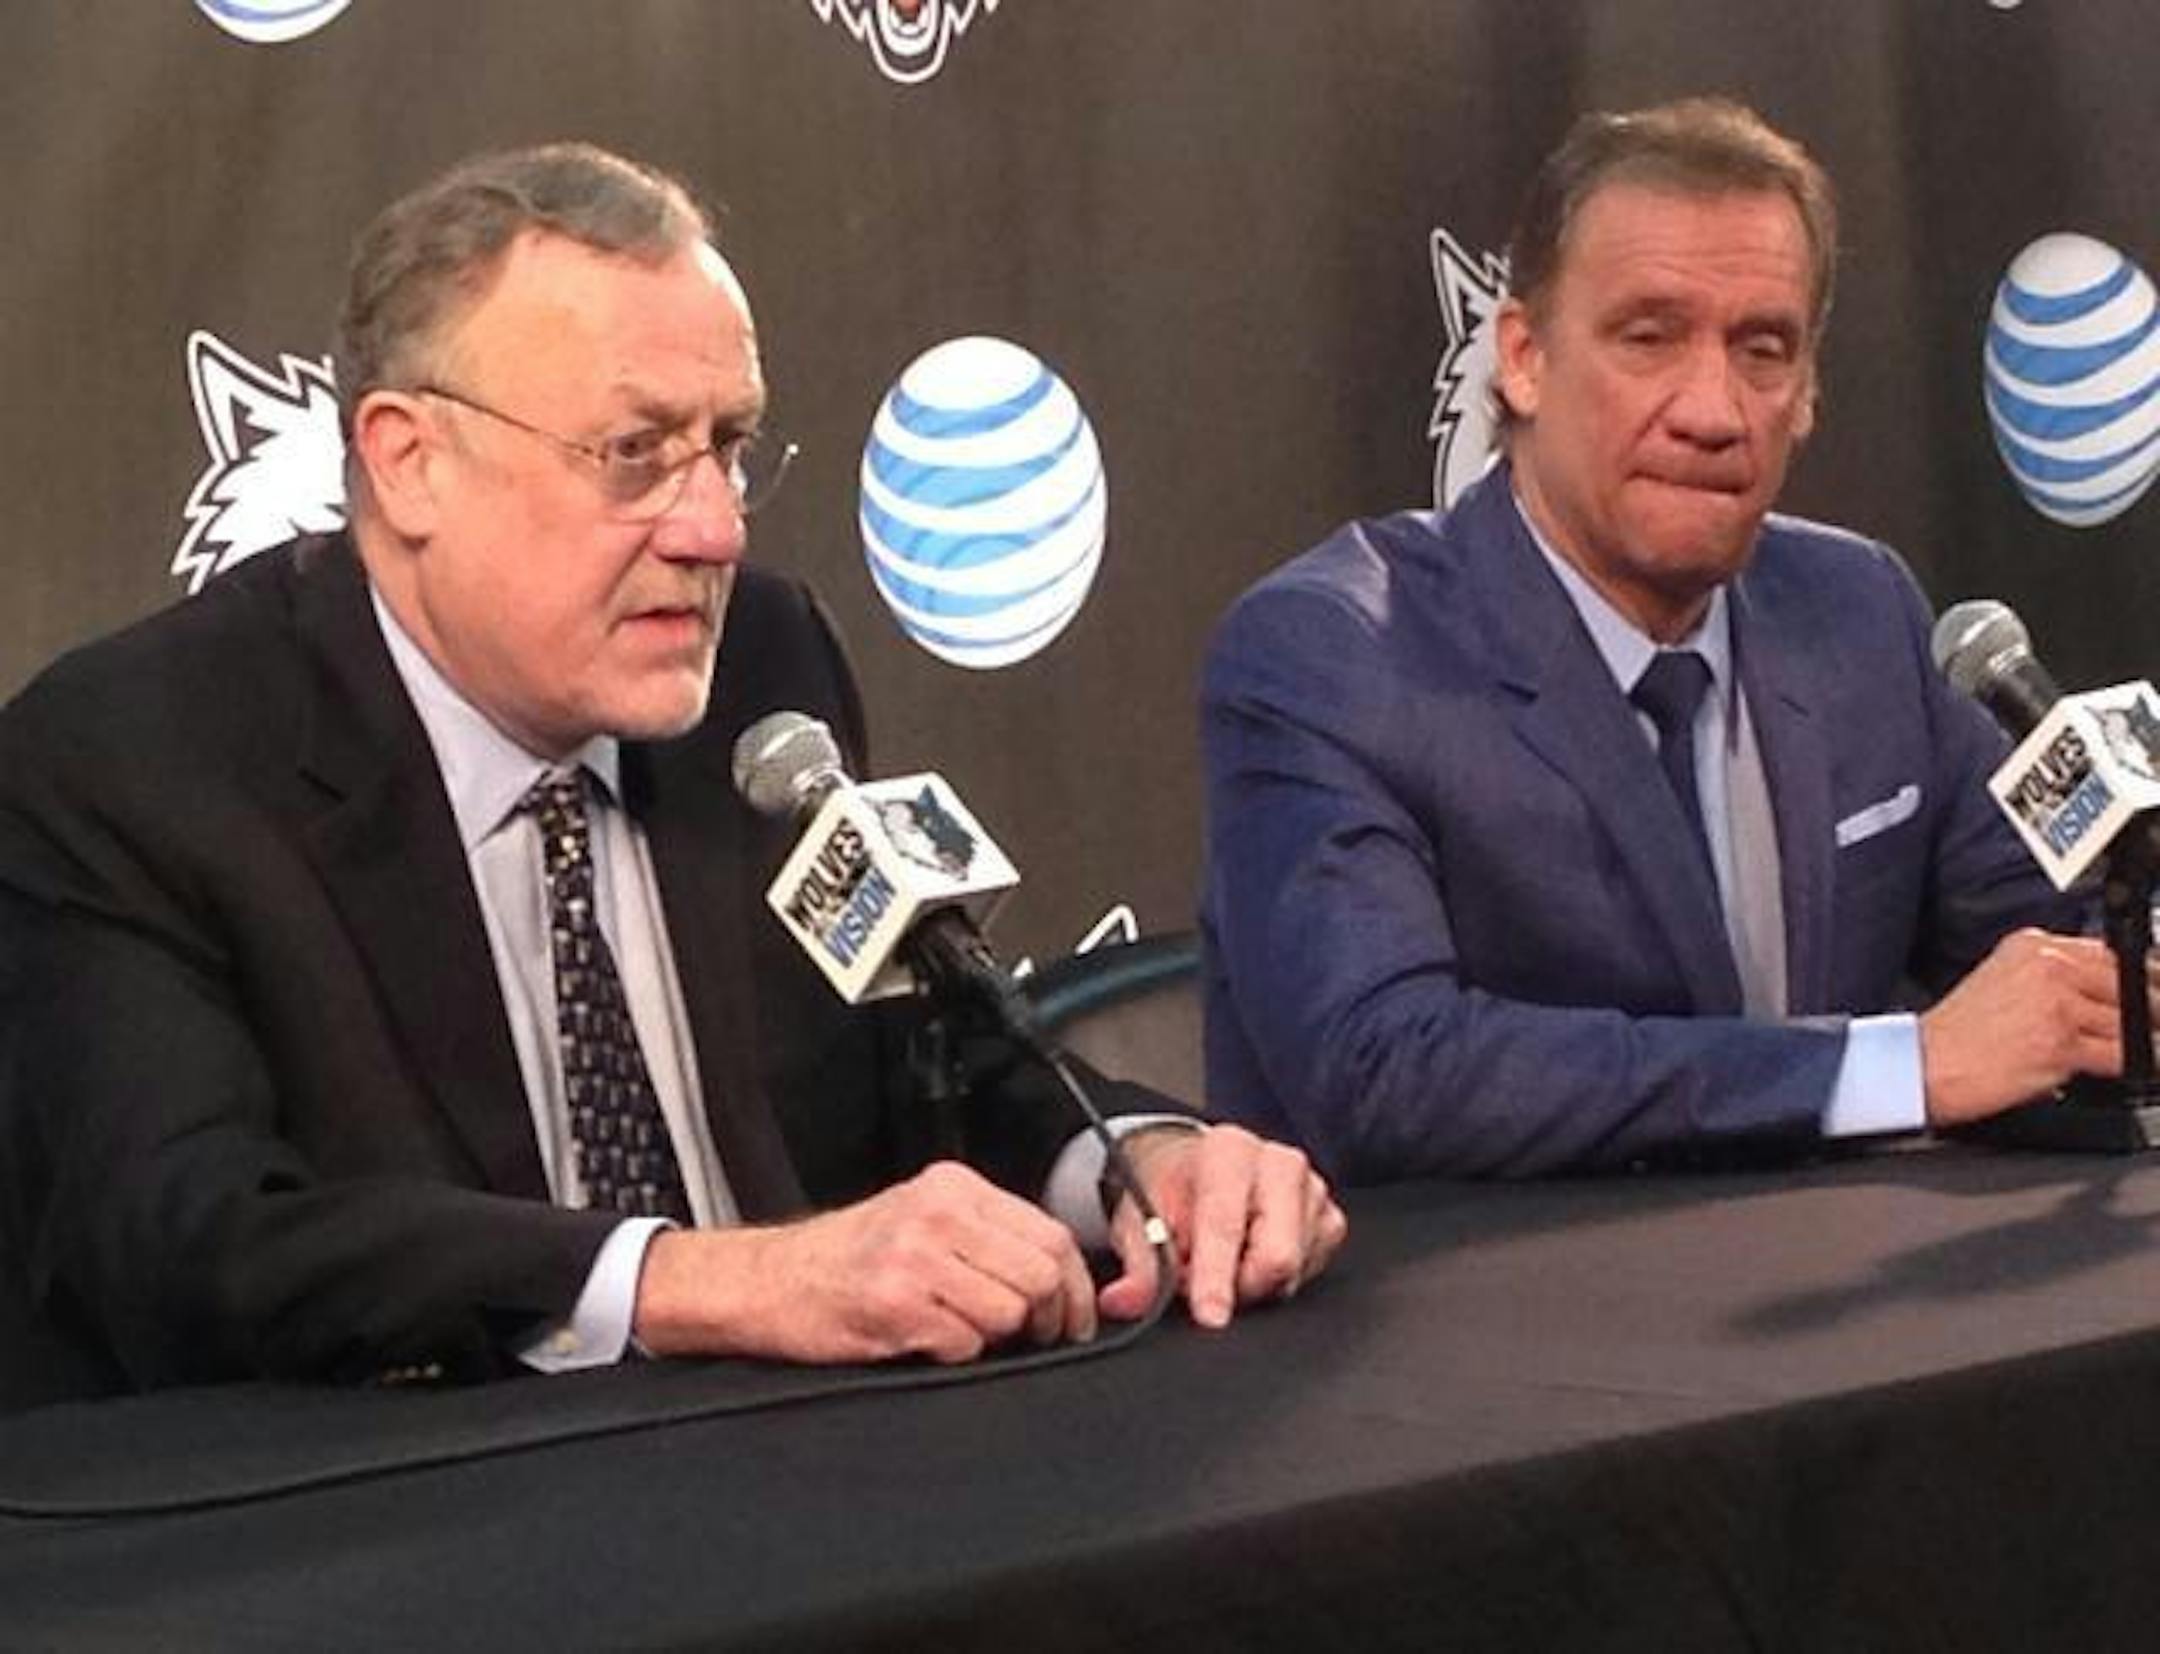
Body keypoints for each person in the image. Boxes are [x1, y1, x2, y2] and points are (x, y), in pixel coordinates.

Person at [0, 142, 1343, 1391]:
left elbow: (927, 1056)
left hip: (811, 1494)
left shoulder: (762, 665)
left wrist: (1125, 1161)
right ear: (408, 464)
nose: (709, 527)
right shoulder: (140, 760)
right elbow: (193, 1239)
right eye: (634, 455)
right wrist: (694, 1280)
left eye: (730, 446)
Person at [1200, 97, 2124, 1183]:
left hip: (1853, 1318)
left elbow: (2050, 947)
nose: (1714, 408)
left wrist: (2129, 977)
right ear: (1524, 358)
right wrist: (1893, 1066)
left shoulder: (1858, 606)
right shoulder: (1339, 650)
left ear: (1812, 388)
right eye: (1650, 337)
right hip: (1492, 1328)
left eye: (1763, 348)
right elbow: (1387, 1072)